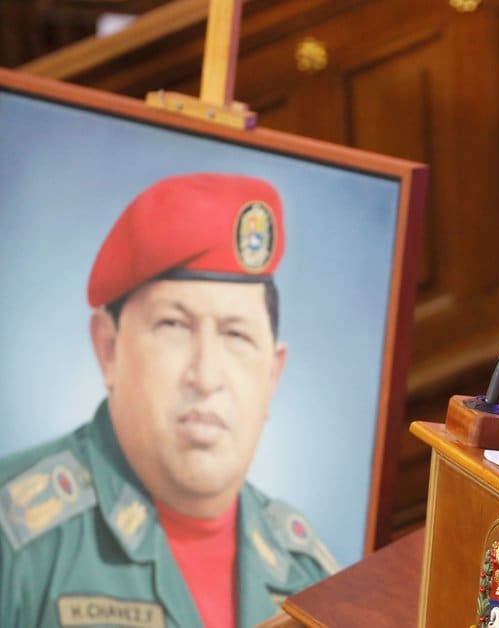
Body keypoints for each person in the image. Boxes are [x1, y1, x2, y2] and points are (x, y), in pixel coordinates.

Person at [0, 173, 338, 627]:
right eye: (174, 327)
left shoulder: (311, 578)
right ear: (108, 349)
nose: (206, 375)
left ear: (272, 375)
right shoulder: (15, 541)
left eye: (236, 335)